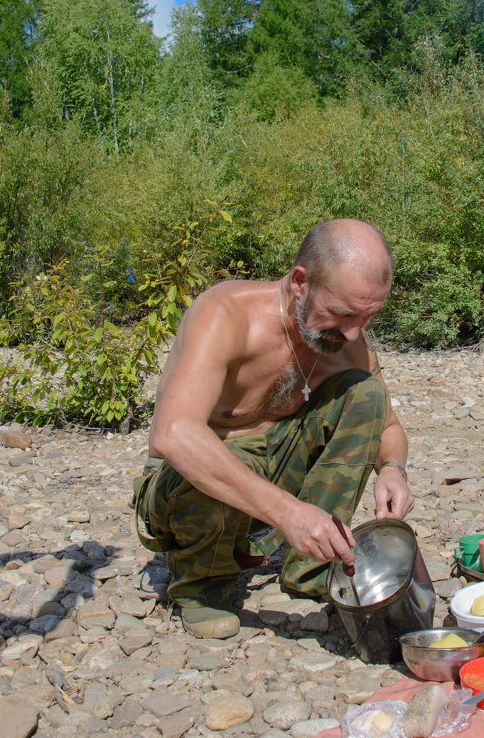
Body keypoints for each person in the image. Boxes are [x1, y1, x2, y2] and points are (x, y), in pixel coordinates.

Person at [132, 219, 414, 638]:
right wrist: (290, 514)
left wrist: (392, 469)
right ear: (300, 282)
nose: (354, 332)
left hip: (272, 473)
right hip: (192, 484)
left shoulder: (347, 340)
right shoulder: (226, 315)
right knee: (210, 453)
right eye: (341, 314)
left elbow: (388, 424)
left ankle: (312, 567)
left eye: (367, 317)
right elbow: (173, 435)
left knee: (366, 392)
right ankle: (201, 586)